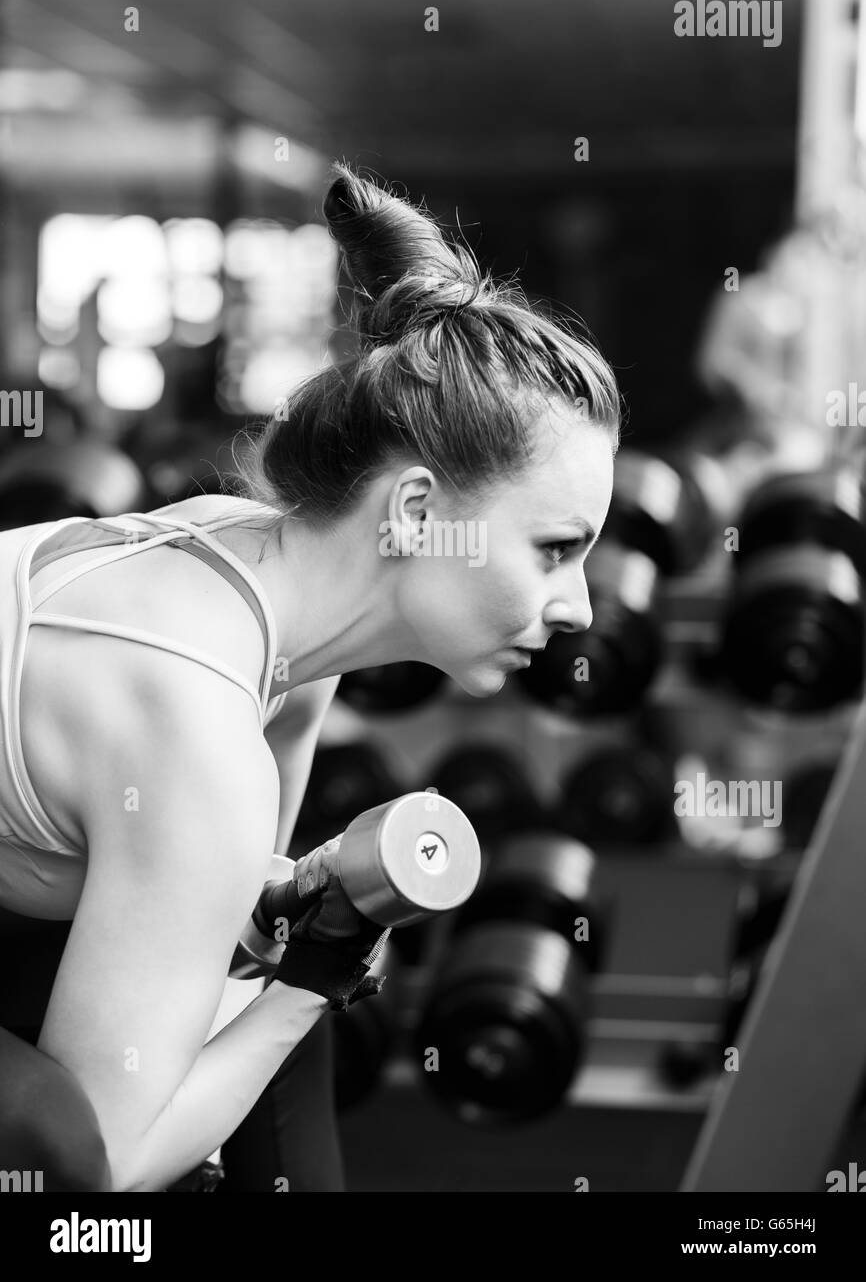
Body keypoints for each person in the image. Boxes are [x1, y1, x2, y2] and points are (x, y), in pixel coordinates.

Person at [0, 161, 622, 1192]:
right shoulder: (198, 732)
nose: (580, 607)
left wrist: (292, 926)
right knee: (57, 1146)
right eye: (555, 548)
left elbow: (231, 921)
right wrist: (312, 977)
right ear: (418, 514)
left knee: (259, 1022)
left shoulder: (264, 597)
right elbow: (102, 1167)